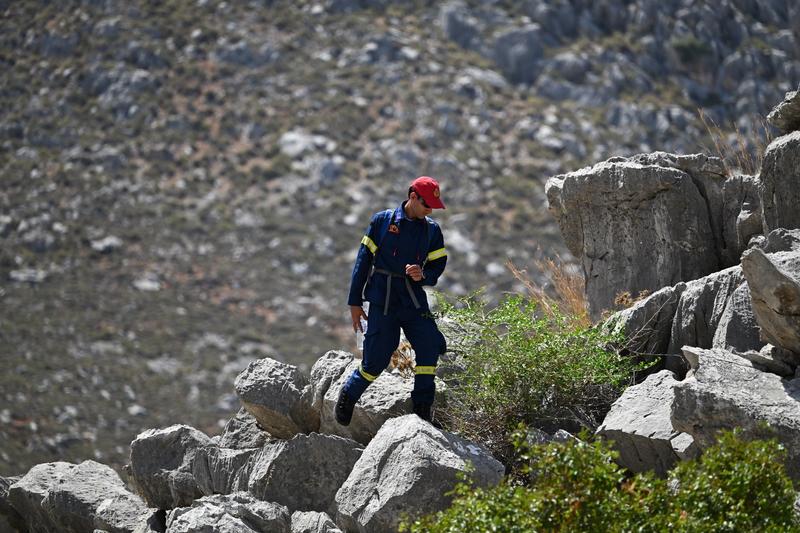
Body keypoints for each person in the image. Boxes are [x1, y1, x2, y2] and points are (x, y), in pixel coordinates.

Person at [336, 176, 448, 426]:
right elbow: (362, 262)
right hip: (382, 300)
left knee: (430, 347)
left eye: (433, 207)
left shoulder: (432, 230)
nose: (430, 211)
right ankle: (349, 394)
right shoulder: (382, 221)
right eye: (427, 205)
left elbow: (438, 264)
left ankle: (421, 409)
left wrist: (424, 275)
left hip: (412, 299)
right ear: (412, 197)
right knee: (376, 359)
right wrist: (355, 303)